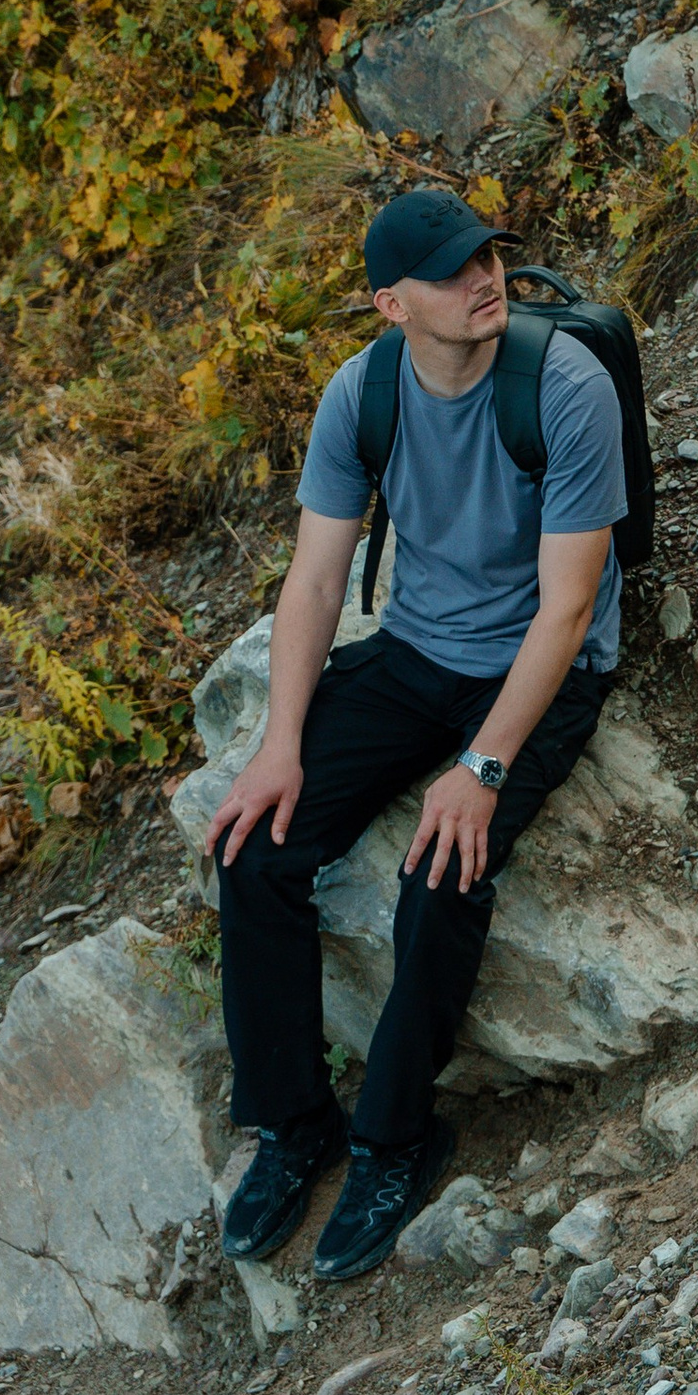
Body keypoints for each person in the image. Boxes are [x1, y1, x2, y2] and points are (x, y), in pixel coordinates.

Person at [205, 187, 626, 1278]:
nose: (483, 278)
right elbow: (314, 577)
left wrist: (481, 766)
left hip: (541, 667)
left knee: (441, 873)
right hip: (415, 653)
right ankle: (294, 1124)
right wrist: (280, 741)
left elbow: (569, 606)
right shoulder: (363, 393)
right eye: (450, 271)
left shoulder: (563, 385)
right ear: (392, 303)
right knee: (254, 847)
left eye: (488, 258)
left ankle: (394, 1138)